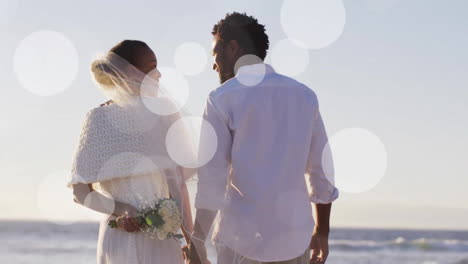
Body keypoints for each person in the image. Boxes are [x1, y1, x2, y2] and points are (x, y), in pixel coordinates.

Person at [187, 12, 339, 264]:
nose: (214, 64)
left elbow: (212, 180)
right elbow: (320, 171)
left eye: (215, 54)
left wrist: (197, 241)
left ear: (233, 48)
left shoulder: (221, 98)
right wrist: (322, 231)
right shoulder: (304, 96)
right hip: (294, 239)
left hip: (240, 240)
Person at [69, 40, 194, 264]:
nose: (159, 75)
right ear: (129, 71)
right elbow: (80, 192)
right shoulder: (97, 119)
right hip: (118, 236)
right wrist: (122, 209)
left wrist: (192, 245)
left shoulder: (164, 114)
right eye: (151, 65)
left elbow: (178, 187)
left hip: (162, 238)